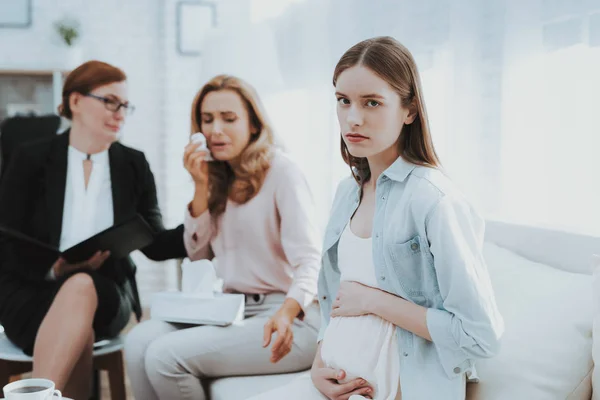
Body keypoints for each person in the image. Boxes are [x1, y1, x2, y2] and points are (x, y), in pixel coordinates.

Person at [249, 36, 504, 400]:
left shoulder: (434, 201)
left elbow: (480, 334)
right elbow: (335, 296)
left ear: (410, 110)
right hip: (334, 385)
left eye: (372, 102)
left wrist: (374, 300)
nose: (353, 118)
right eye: (343, 101)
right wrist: (319, 367)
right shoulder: (346, 191)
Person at [124, 75, 322, 400]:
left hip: (288, 317)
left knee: (164, 357)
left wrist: (286, 313)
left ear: (253, 125)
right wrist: (201, 188)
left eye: (229, 119)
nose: (215, 129)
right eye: (207, 119)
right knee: (137, 343)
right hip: (230, 310)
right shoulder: (218, 177)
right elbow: (198, 256)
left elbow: (310, 262)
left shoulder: (282, 172)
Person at [0, 60, 188, 399]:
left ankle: (33, 397)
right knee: (77, 333)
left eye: (125, 105)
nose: (120, 113)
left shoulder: (132, 164)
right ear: (75, 101)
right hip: (31, 292)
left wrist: (204, 206)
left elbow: (156, 244)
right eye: (110, 101)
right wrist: (53, 268)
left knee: (82, 285)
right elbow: (6, 238)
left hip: (105, 293)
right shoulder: (30, 158)